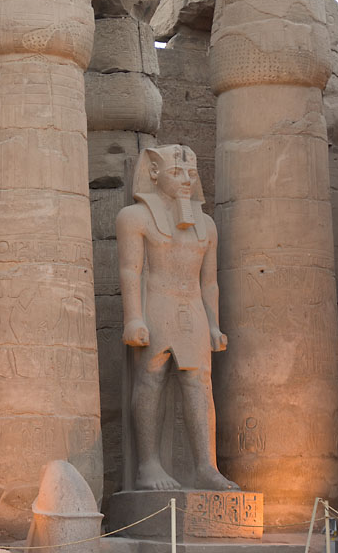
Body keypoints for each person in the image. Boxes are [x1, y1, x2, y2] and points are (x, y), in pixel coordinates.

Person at [116, 144, 238, 491]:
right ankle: (148, 465)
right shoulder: (135, 218)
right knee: (151, 377)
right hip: (157, 303)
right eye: (177, 172)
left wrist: (213, 324)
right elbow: (131, 271)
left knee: (200, 383)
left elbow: (209, 281)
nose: (186, 180)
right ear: (154, 173)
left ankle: (206, 466)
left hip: (193, 307)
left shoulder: (207, 225)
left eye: (191, 173)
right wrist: (133, 318)